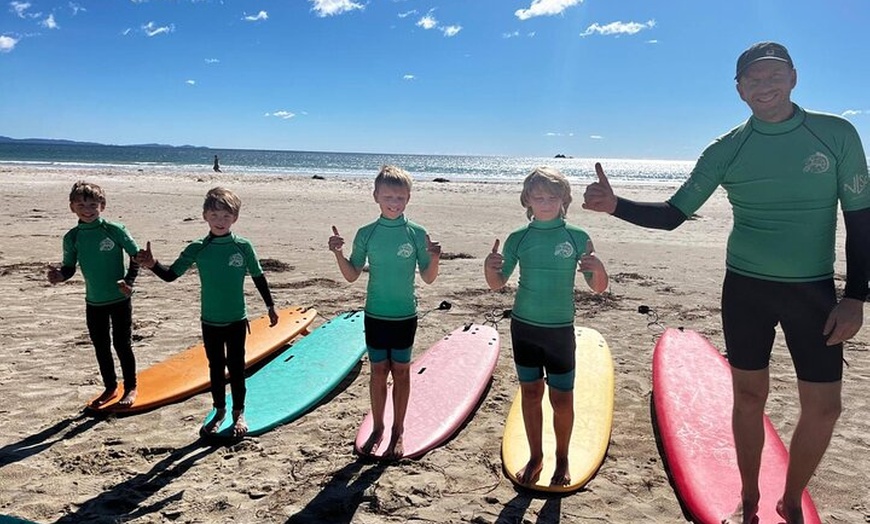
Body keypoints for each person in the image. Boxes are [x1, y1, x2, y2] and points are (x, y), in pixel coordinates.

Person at [582, 42, 870, 524]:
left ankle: (791, 497)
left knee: (824, 408)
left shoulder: (836, 134)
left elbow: (861, 221)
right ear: (738, 89)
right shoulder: (726, 148)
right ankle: (751, 495)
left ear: (794, 77)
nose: (764, 85)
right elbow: (675, 214)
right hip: (746, 290)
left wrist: (857, 295)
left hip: (814, 291)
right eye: (752, 79)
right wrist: (616, 206)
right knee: (749, 397)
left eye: (773, 75)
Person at [484, 166, 609, 487]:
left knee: (562, 399)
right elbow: (497, 284)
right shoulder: (518, 238)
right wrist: (489, 268)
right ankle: (536, 455)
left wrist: (599, 269)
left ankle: (563, 457)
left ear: (564, 200)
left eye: (552, 197)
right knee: (530, 393)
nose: (545, 202)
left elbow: (597, 288)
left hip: (559, 331)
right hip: (524, 328)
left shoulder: (577, 237)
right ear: (527, 200)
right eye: (538, 197)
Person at [136, 187, 279, 437]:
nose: (220, 221)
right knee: (215, 367)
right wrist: (152, 265)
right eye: (215, 215)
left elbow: (258, 276)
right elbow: (171, 275)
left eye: (226, 216)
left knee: (236, 367)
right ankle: (219, 411)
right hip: (210, 320)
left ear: (235, 217)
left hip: (236, 318)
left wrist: (270, 306)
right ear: (205, 216)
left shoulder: (243, 246)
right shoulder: (197, 247)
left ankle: (239, 413)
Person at [328, 165, 441, 459]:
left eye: (400, 197)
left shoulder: (416, 233)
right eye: (388, 196)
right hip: (376, 314)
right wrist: (338, 254)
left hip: (404, 315)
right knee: (378, 372)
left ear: (409, 198)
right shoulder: (367, 234)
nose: (394, 202)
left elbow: (428, 278)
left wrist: (434, 258)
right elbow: (352, 274)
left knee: (401, 373)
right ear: (376, 196)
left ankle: (398, 430)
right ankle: (378, 427)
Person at [47, 181, 141, 408]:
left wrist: (129, 282)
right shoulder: (72, 237)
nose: (87, 209)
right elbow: (69, 267)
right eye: (81, 204)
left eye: (92, 204)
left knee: (122, 344)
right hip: (94, 301)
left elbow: (136, 256)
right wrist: (59, 276)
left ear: (102, 205)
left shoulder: (115, 229)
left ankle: (131, 387)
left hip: (120, 299)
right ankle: (110, 386)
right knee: (101, 345)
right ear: (72, 207)